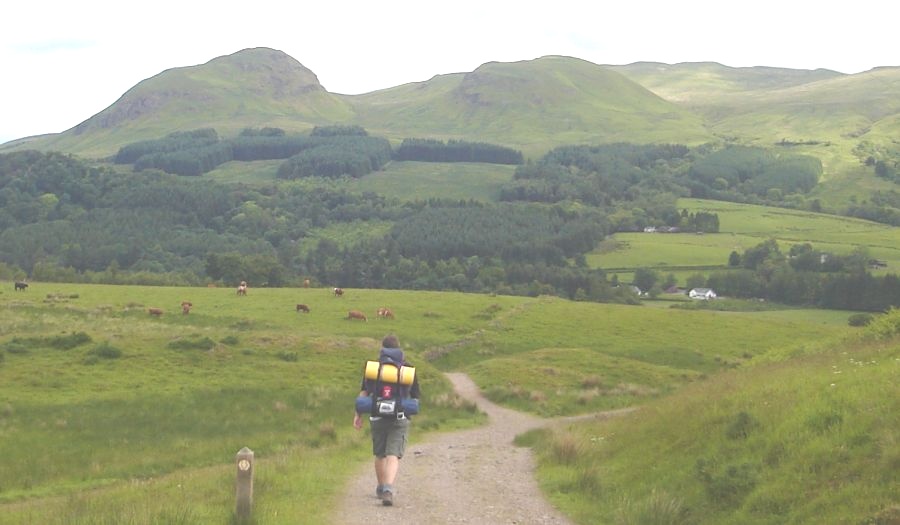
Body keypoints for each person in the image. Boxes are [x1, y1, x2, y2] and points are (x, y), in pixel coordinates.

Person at [353, 334, 421, 506]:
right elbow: (415, 397)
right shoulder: (408, 369)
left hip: (377, 415)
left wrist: (358, 414)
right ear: (399, 349)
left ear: (382, 349)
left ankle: (381, 486)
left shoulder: (374, 369)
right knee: (393, 455)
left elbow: (364, 393)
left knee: (380, 454)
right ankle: (389, 489)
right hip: (399, 417)